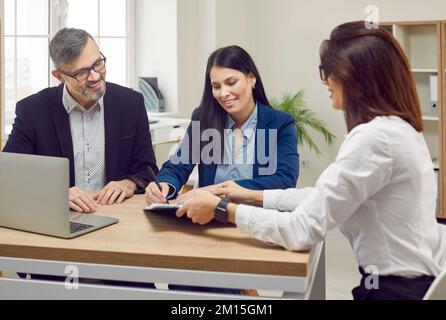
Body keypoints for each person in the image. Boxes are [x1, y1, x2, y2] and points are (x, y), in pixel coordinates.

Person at [175, 21, 443, 300]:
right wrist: (249, 195)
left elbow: (302, 229)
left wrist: (221, 208)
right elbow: (323, 197)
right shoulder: (396, 130)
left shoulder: (374, 139)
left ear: (358, 76)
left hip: (395, 291)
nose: (325, 81)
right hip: (406, 282)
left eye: (328, 71)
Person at [3, 28, 158, 212]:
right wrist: (56, 193)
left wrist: (129, 183)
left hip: (118, 214)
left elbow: (147, 168)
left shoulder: (131, 103)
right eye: (81, 73)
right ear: (59, 77)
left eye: (98, 63)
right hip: (59, 216)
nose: (95, 76)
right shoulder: (32, 111)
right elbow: (9, 175)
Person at [145, 45, 299, 205]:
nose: (223, 93)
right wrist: (164, 186)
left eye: (231, 83)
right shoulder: (204, 118)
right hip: (208, 220)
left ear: (251, 78)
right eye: (216, 86)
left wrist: (217, 191)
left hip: (258, 220)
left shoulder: (280, 124)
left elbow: (284, 181)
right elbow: (178, 165)